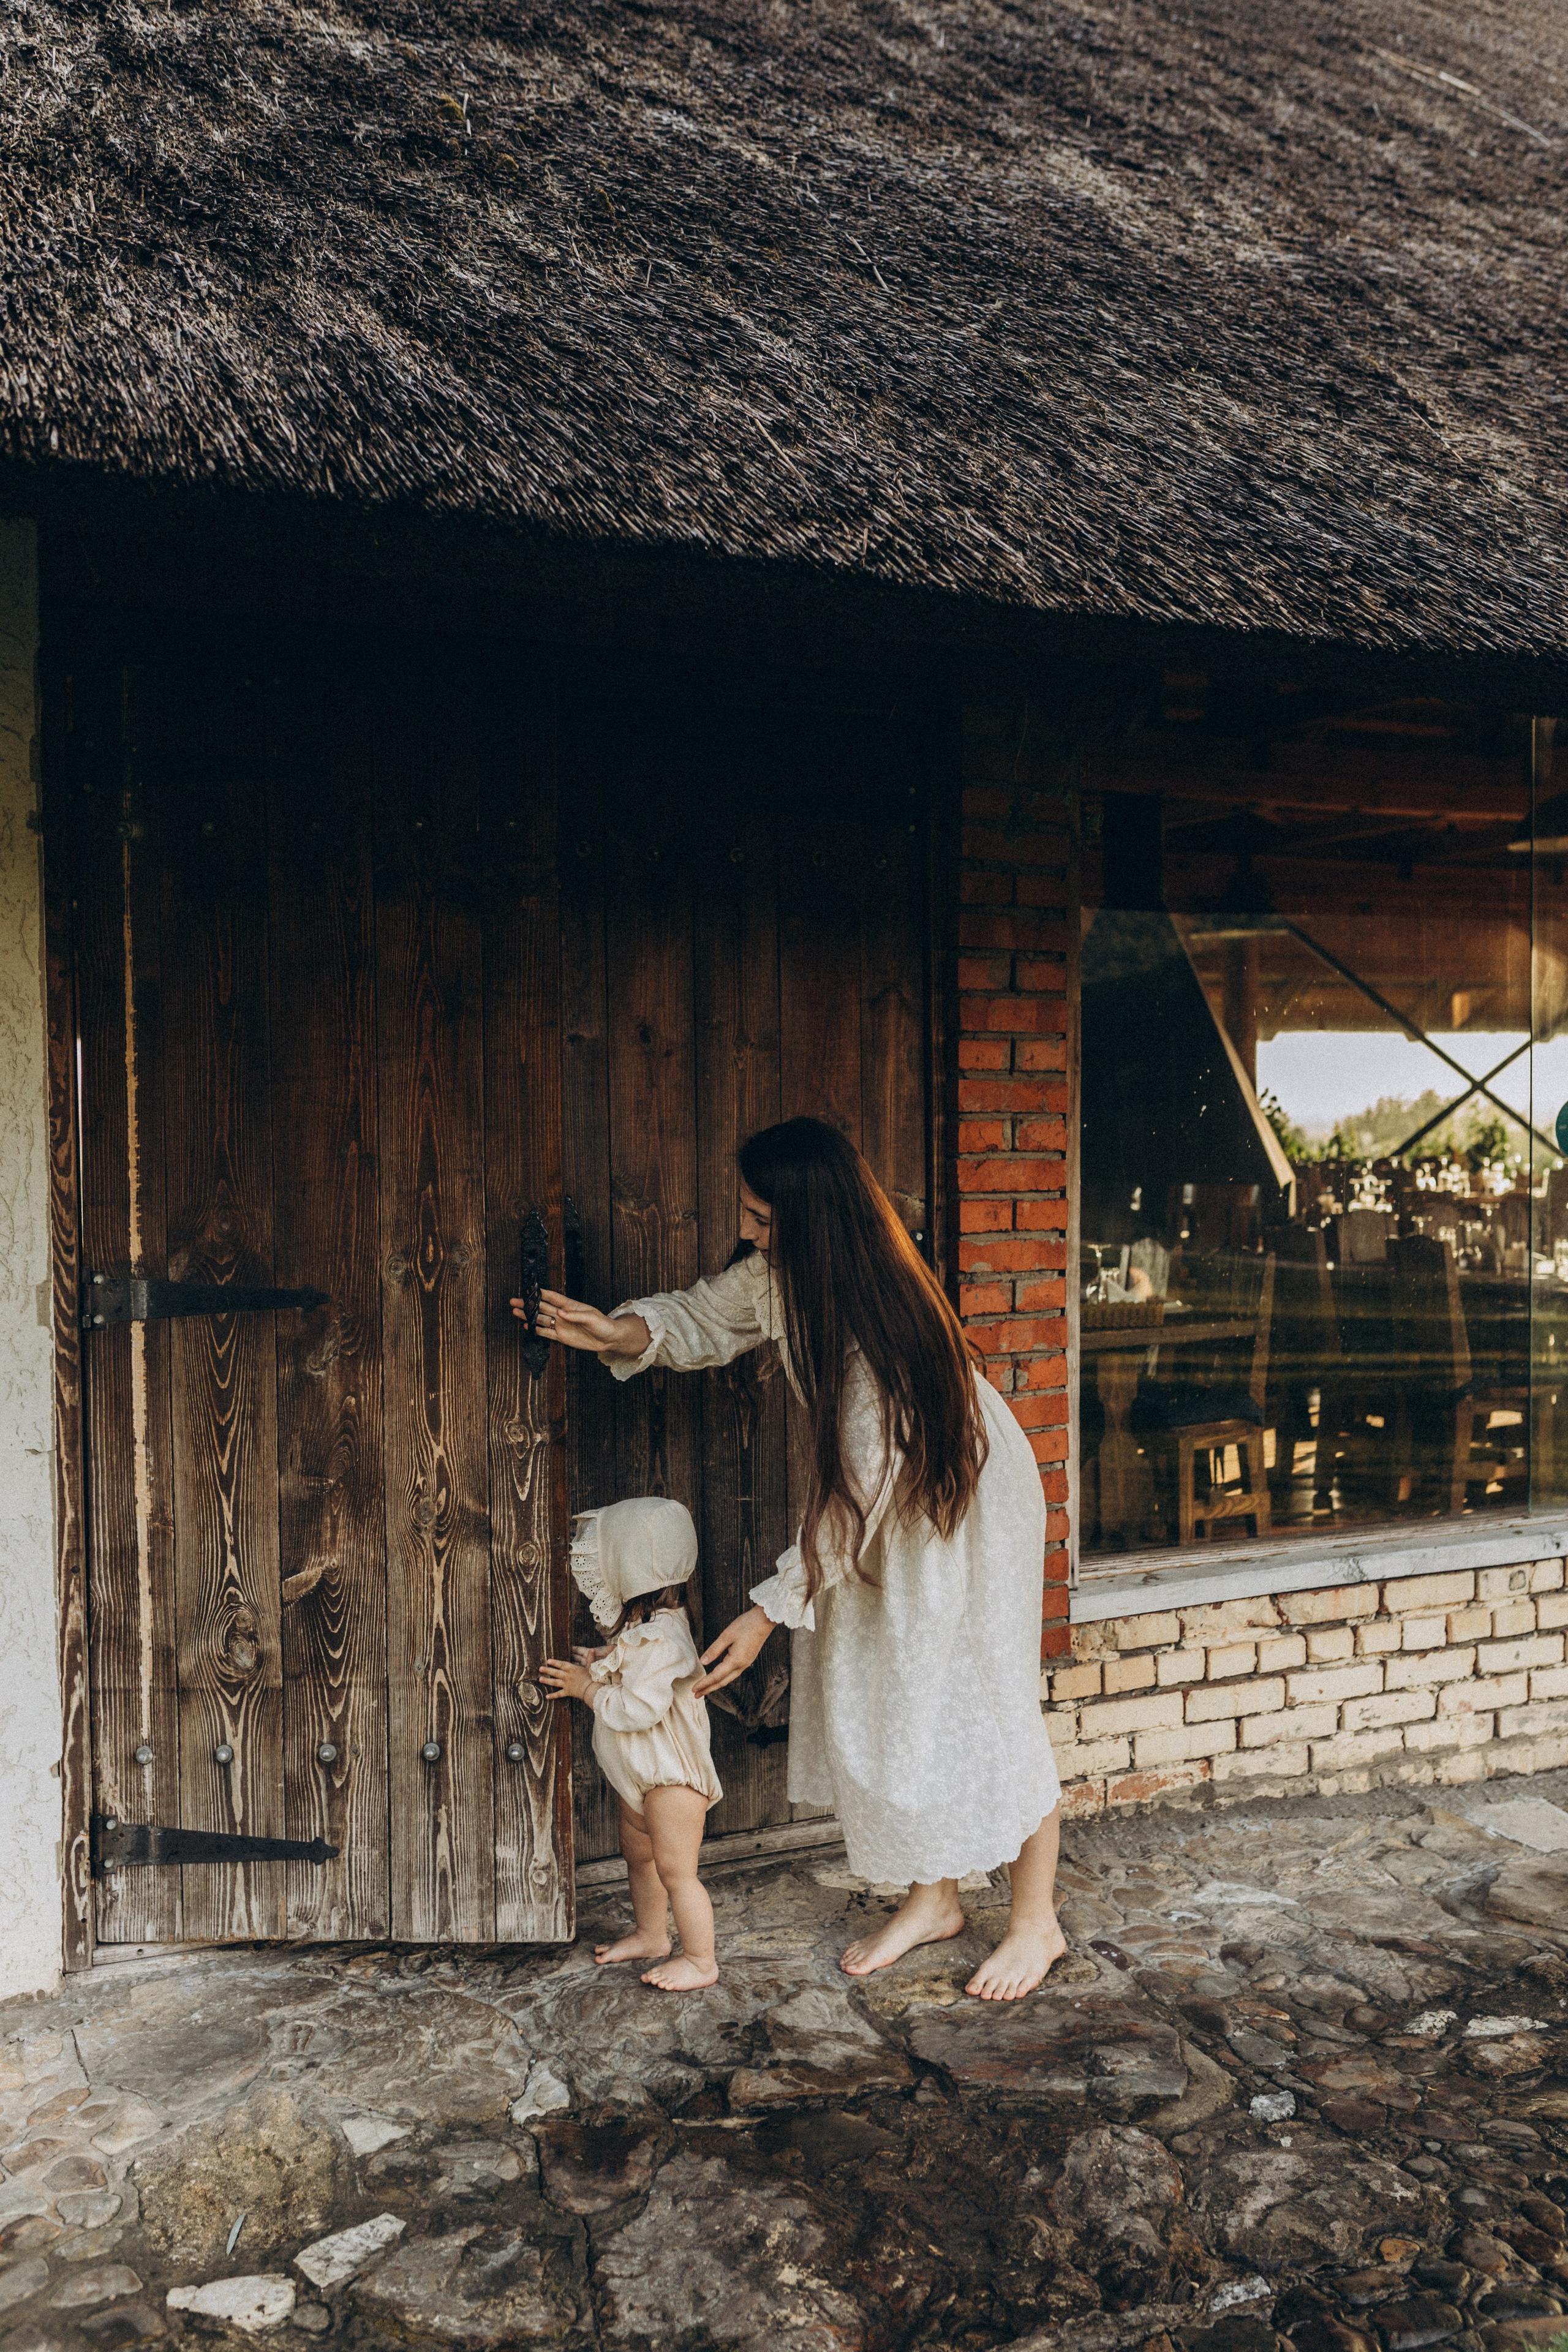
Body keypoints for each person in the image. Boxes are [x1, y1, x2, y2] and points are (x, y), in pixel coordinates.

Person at [516, 1117, 1063, 2001]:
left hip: (959, 1507)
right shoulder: (789, 1278)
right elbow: (706, 1315)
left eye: (764, 1220)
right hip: (881, 1507)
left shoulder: (875, 1341)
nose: (750, 1234)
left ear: (816, 1222)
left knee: (984, 1698)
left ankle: (1037, 1921)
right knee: (904, 1703)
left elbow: (858, 1499)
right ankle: (936, 1898)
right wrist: (619, 1334)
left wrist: (769, 1608)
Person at [539, 1495, 723, 1992]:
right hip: (641, 1777)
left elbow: (639, 1707)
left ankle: (701, 1960)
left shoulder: (662, 1639)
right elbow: (634, 1661)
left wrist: (587, 1687)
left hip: (671, 1780)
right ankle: (650, 1933)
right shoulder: (646, 1631)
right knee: (638, 1856)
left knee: (677, 1871)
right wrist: (604, 1657)